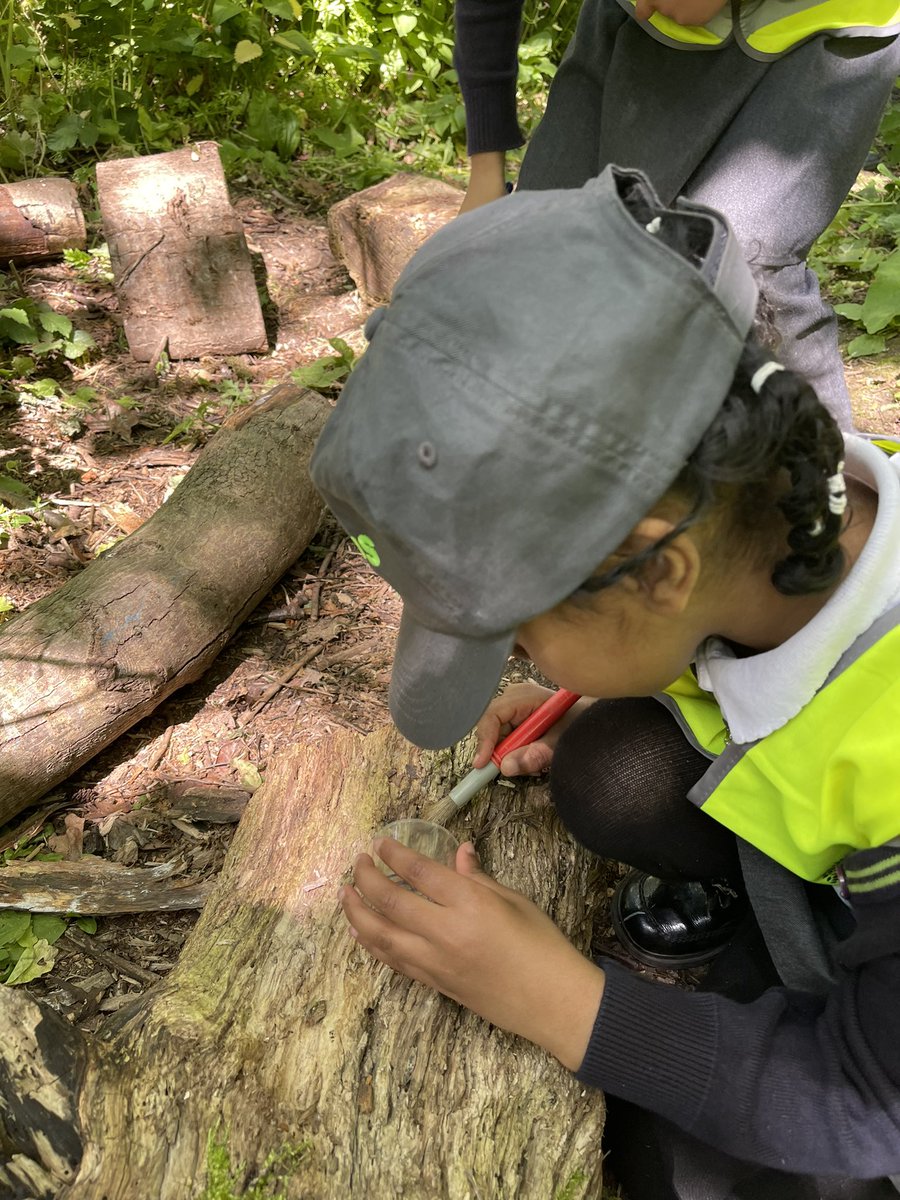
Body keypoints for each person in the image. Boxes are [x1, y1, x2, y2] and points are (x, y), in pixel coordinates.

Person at [309, 168, 900, 1198]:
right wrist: (611, 677)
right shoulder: (793, 527)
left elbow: (870, 1106)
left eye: (521, 630)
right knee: (613, 763)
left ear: (658, 570)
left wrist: (552, 996)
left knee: (694, 1169)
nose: (518, 662)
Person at [454, 0, 900, 430]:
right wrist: (485, 173)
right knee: (546, 243)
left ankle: (836, 483)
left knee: (739, 268)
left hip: (821, 27)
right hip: (641, 27)